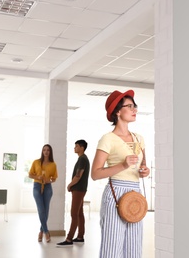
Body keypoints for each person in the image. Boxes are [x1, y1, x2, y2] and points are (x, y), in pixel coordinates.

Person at [91, 90, 151, 258]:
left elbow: (142, 166)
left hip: (135, 194)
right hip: (115, 192)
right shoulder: (108, 139)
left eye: (135, 106)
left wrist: (144, 171)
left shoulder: (139, 138)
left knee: (134, 247)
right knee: (112, 246)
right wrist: (123, 165)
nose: (135, 110)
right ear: (117, 111)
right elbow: (95, 173)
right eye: (129, 106)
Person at [57, 140, 90, 247]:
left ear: (82, 147)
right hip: (80, 189)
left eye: (76, 146)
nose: (74, 148)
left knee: (74, 214)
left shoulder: (82, 159)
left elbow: (78, 175)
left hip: (78, 189)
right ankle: (80, 236)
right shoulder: (83, 159)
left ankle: (69, 238)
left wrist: (70, 185)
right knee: (79, 214)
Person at [28, 144, 58, 243]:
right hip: (37, 187)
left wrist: (49, 180)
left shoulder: (53, 164)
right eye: (44, 150)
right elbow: (30, 174)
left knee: (46, 210)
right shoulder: (36, 162)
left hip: (48, 187)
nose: (46, 152)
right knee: (41, 209)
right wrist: (38, 177)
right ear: (42, 151)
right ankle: (46, 231)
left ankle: (41, 232)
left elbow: (54, 178)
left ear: (50, 152)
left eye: (48, 150)